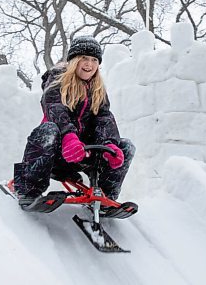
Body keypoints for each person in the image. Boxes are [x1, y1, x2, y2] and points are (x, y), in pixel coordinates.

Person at [13, 36, 135, 208]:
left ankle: (106, 199)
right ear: (74, 60)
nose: (89, 64)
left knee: (126, 147)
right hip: (58, 151)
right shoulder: (57, 80)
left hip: (84, 153)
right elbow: (54, 107)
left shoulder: (98, 89)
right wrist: (68, 136)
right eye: (84, 58)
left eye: (94, 60)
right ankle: (28, 190)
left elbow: (104, 118)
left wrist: (110, 144)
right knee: (48, 130)